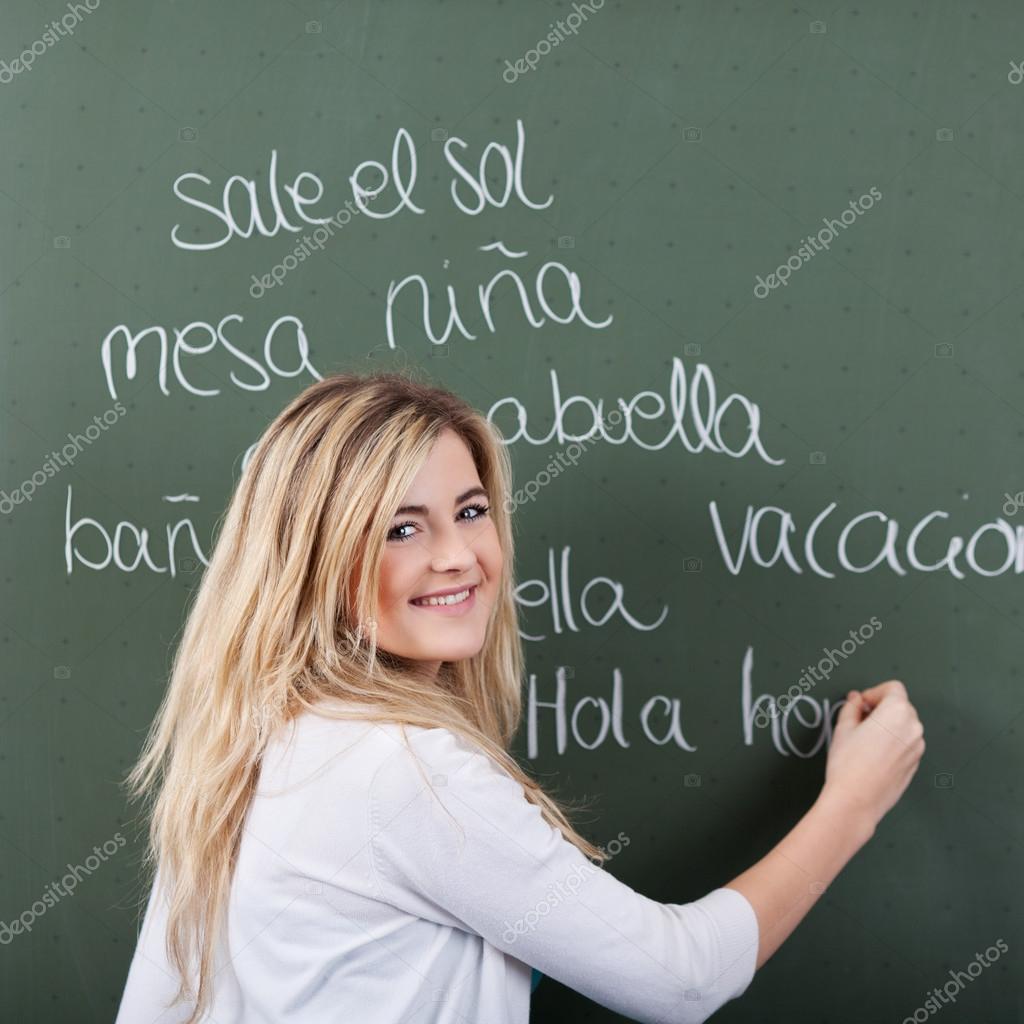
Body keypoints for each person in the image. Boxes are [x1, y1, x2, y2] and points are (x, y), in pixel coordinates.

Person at [114, 370, 925, 1023]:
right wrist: (853, 804)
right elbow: (682, 980)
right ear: (315, 559)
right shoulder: (403, 771)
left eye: (471, 512)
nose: (458, 555)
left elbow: (153, 1008)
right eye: (402, 528)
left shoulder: (256, 739)